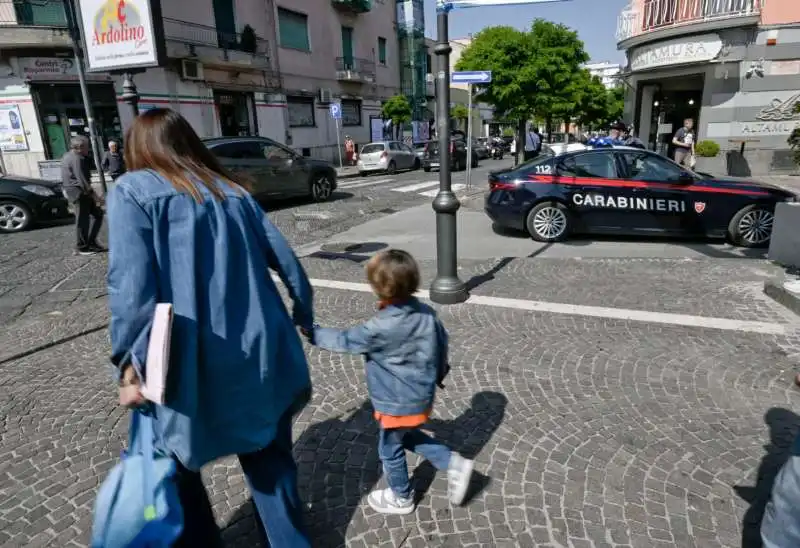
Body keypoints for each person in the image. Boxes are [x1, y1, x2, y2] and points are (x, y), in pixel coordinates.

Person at [109, 108, 314, 547]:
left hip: (185, 357)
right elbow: (289, 263)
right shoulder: (232, 191)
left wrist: (128, 363)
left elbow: (130, 289)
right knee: (270, 462)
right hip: (260, 346)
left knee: (175, 465)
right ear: (190, 144)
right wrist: (305, 312)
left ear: (136, 149)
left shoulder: (132, 190)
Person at [306, 249, 474, 515]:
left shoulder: (379, 328)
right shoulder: (427, 314)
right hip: (422, 396)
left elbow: (344, 341)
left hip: (395, 403)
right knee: (404, 436)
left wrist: (313, 333)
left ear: (379, 288)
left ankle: (402, 497)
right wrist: (438, 376)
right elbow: (441, 348)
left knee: (389, 449)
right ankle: (452, 463)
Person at [60, 135, 105, 255]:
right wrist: (96, 197)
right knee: (82, 219)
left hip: (76, 190)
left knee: (98, 214)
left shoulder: (68, 155)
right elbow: (82, 180)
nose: (88, 149)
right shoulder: (77, 158)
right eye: (87, 146)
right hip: (79, 192)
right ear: (80, 147)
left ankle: (91, 242)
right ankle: (82, 247)